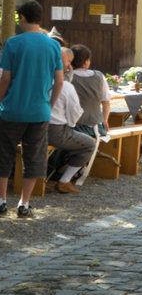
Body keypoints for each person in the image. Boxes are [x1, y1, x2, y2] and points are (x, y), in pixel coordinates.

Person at [0, 0, 63, 218]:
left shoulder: (13, 43)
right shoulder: (53, 45)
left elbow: (5, 78)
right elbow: (60, 81)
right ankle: (24, 204)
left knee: (4, 155)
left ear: (22, 18)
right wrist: (50, 105)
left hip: (12, 110)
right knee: (34, 158)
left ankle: (1, 200)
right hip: (40, 112)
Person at [48, 47, 96, 194]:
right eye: (68, 62)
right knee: (89, 144)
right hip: (55, 132)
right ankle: (64, 181)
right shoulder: (66, 86)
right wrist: (70, 124)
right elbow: (75, 114)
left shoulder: (36, 80)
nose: (70, 66)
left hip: (31, 127)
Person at [70, 44, 110, 138]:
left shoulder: (67, 77)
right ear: (86, 61)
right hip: (98, 128)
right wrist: (104, 122)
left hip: (74, 127)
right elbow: (106, 103)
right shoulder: (99, 76)